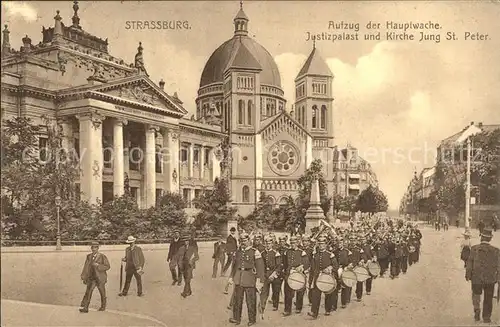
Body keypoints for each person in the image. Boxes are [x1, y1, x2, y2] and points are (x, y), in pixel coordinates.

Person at [228, 232, 265, 326]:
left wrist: (260, 281)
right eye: (241, 241)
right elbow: (234, 266)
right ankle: (237, 318)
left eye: (244, 240)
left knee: (251, 300)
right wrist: (231, 277)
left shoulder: (255, 252)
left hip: (250, 278)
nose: (242, 242)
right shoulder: (238, 252)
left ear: (249, 240)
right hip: (239, 278)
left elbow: (260, 268)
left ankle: (252, 320)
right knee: (237, 300)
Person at [465, 228, 500, 323]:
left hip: (476, 277)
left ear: (481, 237)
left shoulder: (474, 249)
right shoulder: (496, 251)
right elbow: (498, 265)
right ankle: (486, 317)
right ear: (490, 239)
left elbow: (469, 263)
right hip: (490, 278)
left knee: (476, 294)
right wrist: (498, 277)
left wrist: (468, 274)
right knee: (488, 297)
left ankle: (477, 309)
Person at [307, 236, 339, 319]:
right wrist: (310, 281)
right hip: (317, 277)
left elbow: (336, 266)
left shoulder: (330, 254)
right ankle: (314, 312)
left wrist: (330, 268)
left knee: (328, 293)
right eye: (320, 244)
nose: (321, 246)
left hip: (327, 277)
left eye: (323, 244)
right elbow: (312, 269)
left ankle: (327, 309)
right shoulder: (315, 255)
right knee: (315, 295)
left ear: (326, 245)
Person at [79, 242, 110, 313]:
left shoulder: (102, 256)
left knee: (102, 293)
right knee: (89, 292)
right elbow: (86, 267)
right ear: (91, 248)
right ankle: (86, 308)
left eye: (95, 247)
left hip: (100, 278)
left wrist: (98, 265)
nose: (94, 249)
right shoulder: (89, 256)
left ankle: (103, 306)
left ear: (98, 248)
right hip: (92, 278)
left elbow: (107, 266)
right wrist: (83, 276)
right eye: (93, 247)